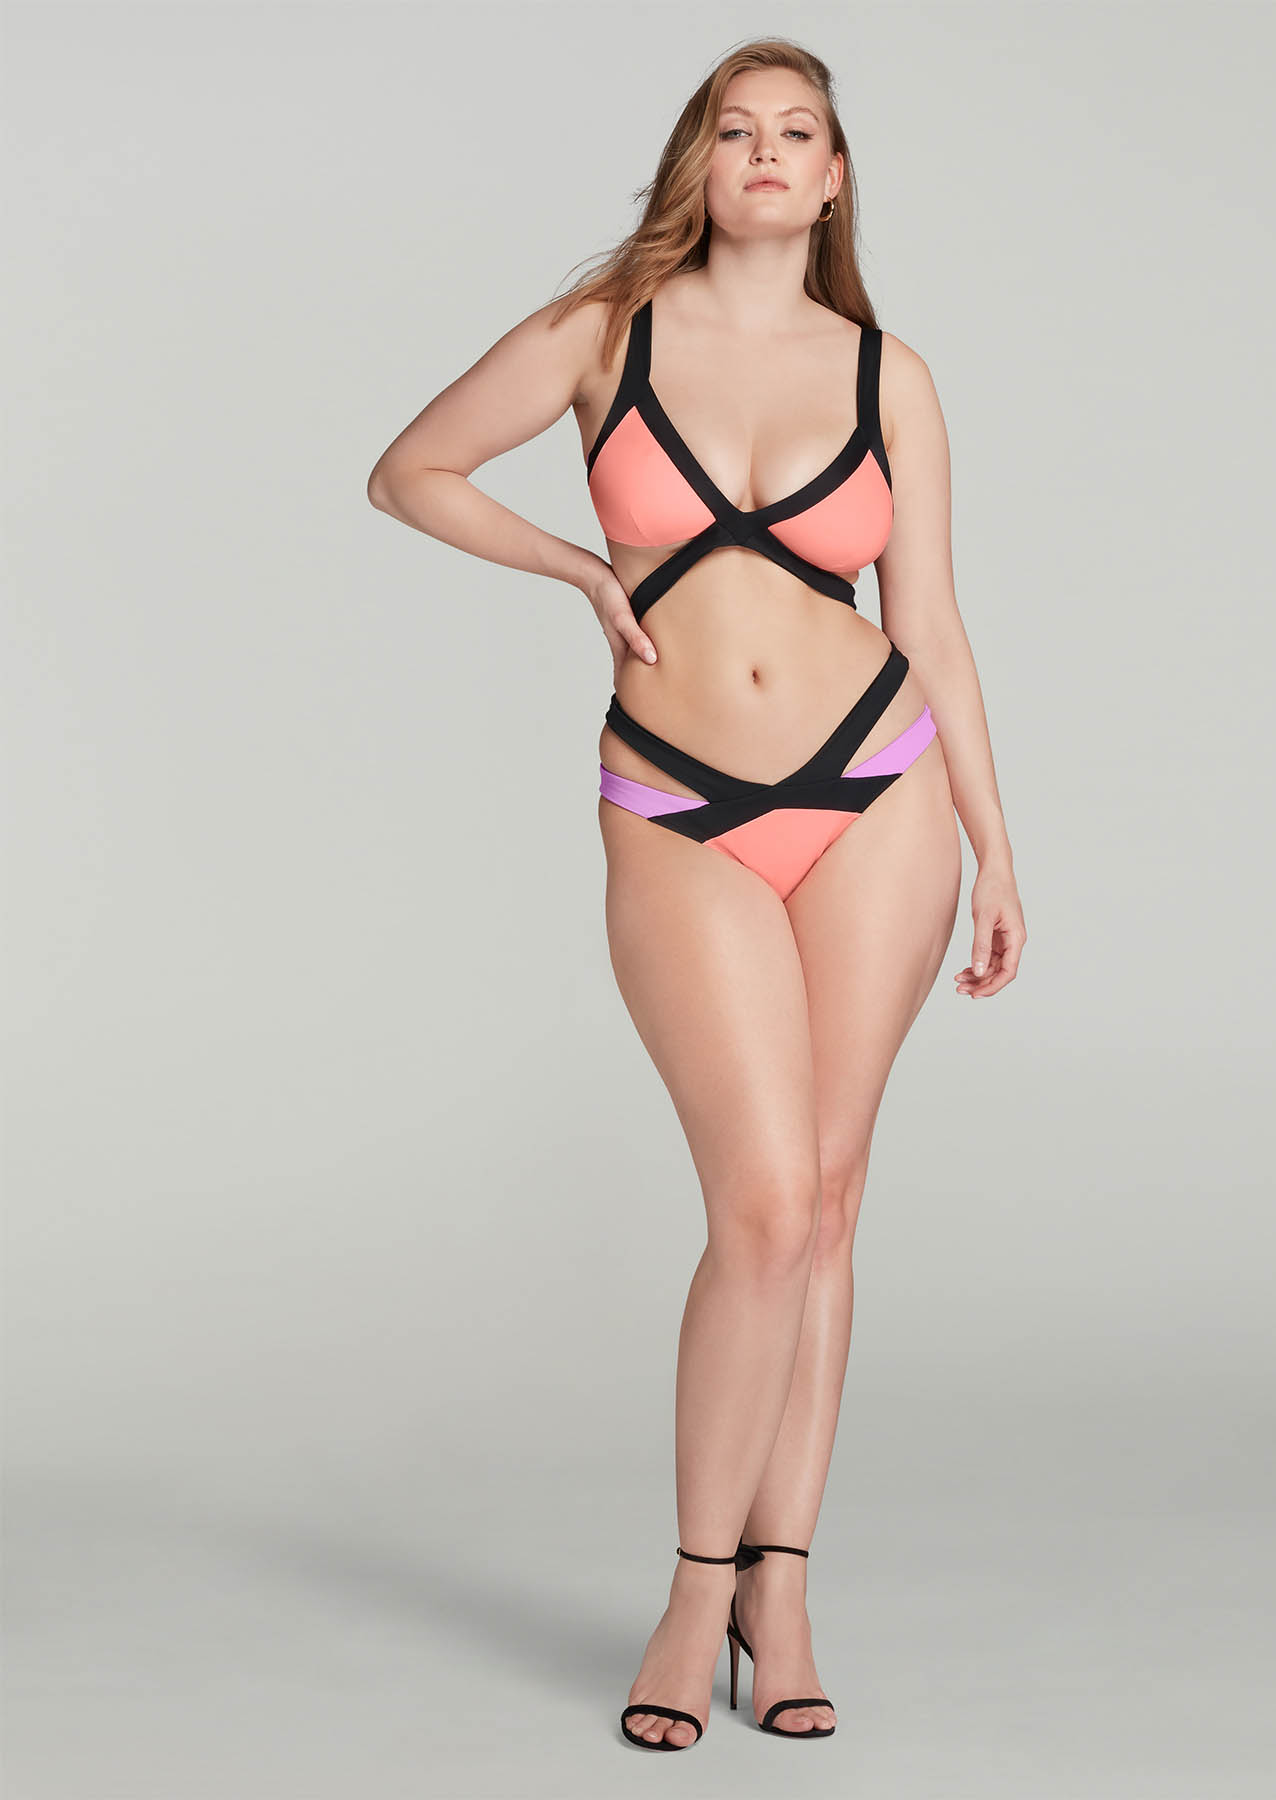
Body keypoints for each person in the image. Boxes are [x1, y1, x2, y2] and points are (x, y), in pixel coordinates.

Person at [366, 37, 1025, 1754]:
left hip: (881, 788)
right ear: (699, 161)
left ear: (833, 177)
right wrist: (579, 569)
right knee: (761, 1207)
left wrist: (996, 843)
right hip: (676, 800)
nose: (766, 153)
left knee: (830, 1201)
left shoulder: (889, 375)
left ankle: (779, 1586)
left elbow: (931, 622)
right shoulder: (607, 333)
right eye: (736, 129)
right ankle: (690, 1586)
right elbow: (410, 470)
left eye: (798, 132)